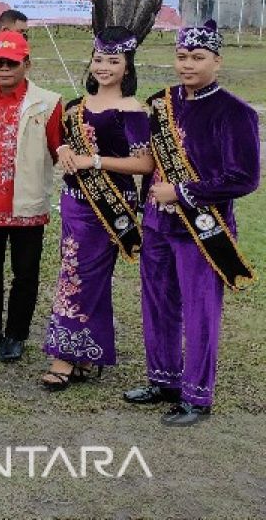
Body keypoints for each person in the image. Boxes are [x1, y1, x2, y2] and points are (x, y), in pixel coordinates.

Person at [123, 21, 260, 426]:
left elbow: (245, 178)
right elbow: (150, 161)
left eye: (198, 58)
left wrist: (182, 192)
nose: (188, 65)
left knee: (200, 312)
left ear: (217, 61)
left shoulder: (235, 113)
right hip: (157, 226)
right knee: (157, 305)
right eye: (182, 57)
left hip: (201, 228)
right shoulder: (161, 103)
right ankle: (163, 380)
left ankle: (196, 396)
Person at [41, 27, 153, 390]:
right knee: (80, 275)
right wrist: (64, 152)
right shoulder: (76, 107)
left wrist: (95, 161)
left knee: (79, 276)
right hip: (74, 203)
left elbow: (144, 164)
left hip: (109, 206)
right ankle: (87, 354)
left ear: (127, 66)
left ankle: (63, 357)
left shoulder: (133, 110)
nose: (103, 67)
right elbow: (65, 147)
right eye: (99, 59)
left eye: (113, 61)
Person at [0, 30, 63, 363]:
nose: (4, 68)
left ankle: (16, 335)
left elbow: (58, 151)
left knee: (26, 274)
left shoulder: (47, 102)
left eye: (11, 62)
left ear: (27, 63)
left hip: (26, 203)